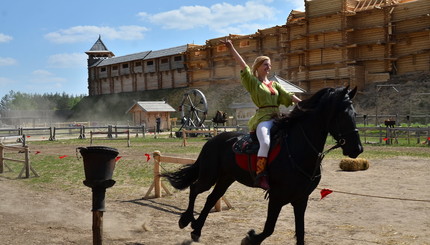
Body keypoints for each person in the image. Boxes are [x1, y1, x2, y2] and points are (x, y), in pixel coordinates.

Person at [222, 39, 301, 190]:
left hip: (277, 117)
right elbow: (243, 64)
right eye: (265, 64)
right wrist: (231, 48)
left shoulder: (275, 85)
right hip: (263, 119)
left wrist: (303, 103)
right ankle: (261, 174)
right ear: (258, 67)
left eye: (270, 65)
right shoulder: (253, 82)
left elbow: (288, 95)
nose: (268, 67)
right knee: (265, 143)